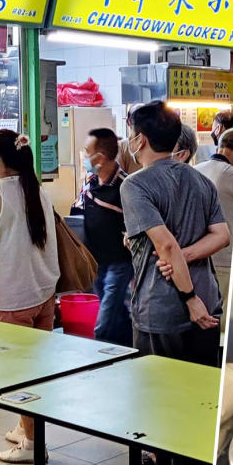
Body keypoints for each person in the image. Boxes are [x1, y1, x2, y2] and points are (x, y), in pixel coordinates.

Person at [120, 100, 231, 465]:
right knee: (198, 400)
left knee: (163, 404)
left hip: (165, 310)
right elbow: (220, 235)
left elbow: (164, 245)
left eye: (131, 133)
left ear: (140, 140)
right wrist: (187, 257)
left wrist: (188, 297)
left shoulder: (136, 185)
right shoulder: (199, 180)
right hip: (209, 304)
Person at [0, 130, 59, 463]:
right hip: (42, 295)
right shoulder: (36, 189)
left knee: (17, 378)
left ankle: (32, 446)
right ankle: (24, 427)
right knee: (34, 372)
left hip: (11, 300)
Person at [81, 128, 133, 346]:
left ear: (100, 157)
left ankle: (101, 353)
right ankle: (131, 347)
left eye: (87, 152)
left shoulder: (126, 186)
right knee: (117, 313)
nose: (84, 156)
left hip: (119, 264)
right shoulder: (91, 182)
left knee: (104, 322)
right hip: (96, 262)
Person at [194, 128, 233, 331]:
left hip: (199, 258)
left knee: (203, 320)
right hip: (225, 259)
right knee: (222, 325)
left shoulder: (195, 170)